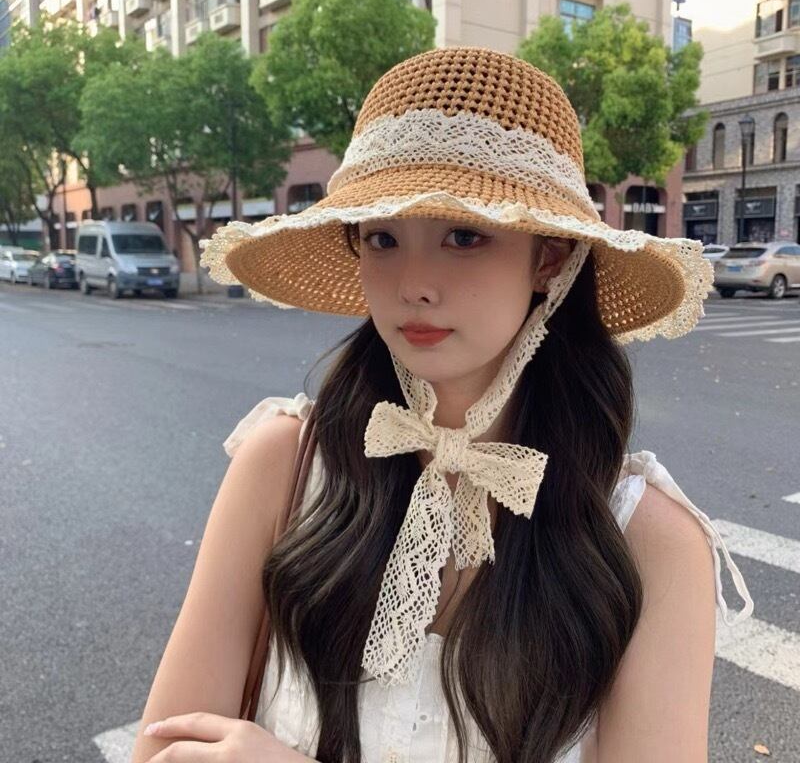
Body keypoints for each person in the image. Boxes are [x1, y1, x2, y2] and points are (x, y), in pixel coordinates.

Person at [132, 47, 754, 763]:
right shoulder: (285, 467)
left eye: (464, 236)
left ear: (549, 258)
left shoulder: (648, 542)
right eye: (382, 238)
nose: (414, 284)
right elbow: (165, 749)